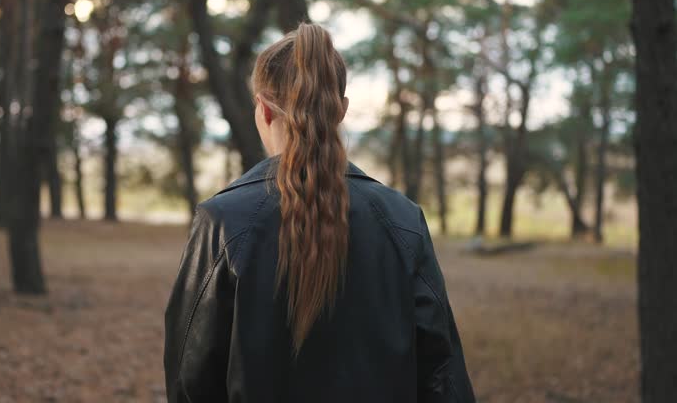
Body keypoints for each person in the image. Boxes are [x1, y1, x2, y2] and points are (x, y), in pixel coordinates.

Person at [164, 23, 475, 402]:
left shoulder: (223, 222)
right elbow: (442, 372)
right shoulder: (403, 220)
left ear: (262, 108)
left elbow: (190, 376)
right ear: (341, 110)